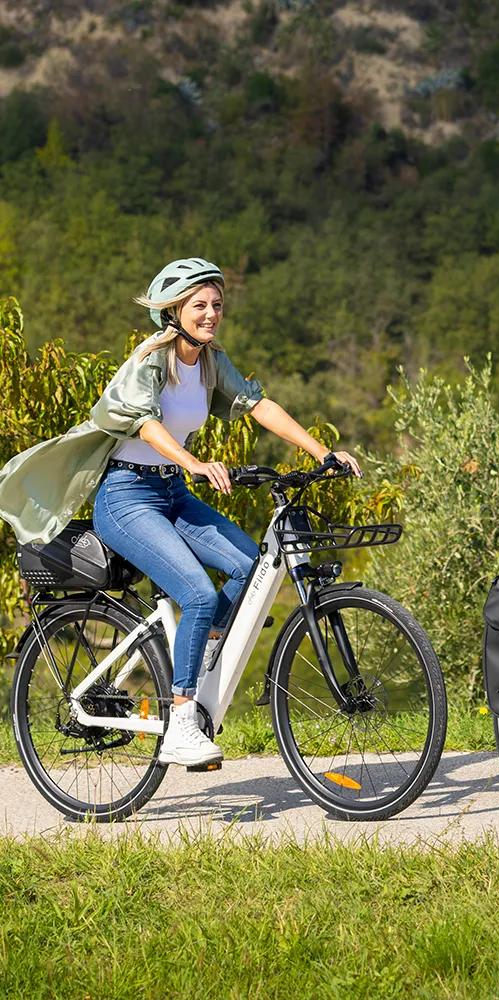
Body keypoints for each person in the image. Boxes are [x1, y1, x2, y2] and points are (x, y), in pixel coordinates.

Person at [0, 258, 361, 767]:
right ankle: (182, 721)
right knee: (196, 591)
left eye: (217, 305)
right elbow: (145, 425)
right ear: (173, 311)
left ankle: (202, 649)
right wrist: (192, 461)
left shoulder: (211, 359)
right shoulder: (152, 359)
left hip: (172, 494)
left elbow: (258, 405)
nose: (211, 314)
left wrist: (320, 451)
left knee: (250, 566)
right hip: (126, 498)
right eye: (199, 306)